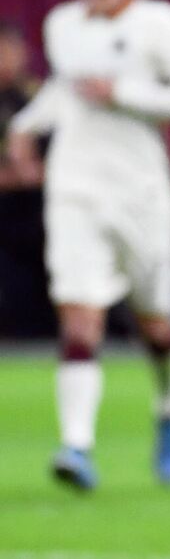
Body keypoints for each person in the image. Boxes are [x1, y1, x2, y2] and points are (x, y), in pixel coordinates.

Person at [4, 0, 170, 491]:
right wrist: (24, 129)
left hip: (141, 194)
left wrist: (123, 94)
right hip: (75, 190)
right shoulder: (63, 26)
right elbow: (64, 92)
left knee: (156, 323)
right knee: (79, 314)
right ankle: (77, 446)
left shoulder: (158, 24)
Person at [0, 21, 56, 338]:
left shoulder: (41, 98)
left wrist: (39, 173)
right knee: (15, 304)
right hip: (4, 220)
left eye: (11, 49)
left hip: (43, 215)